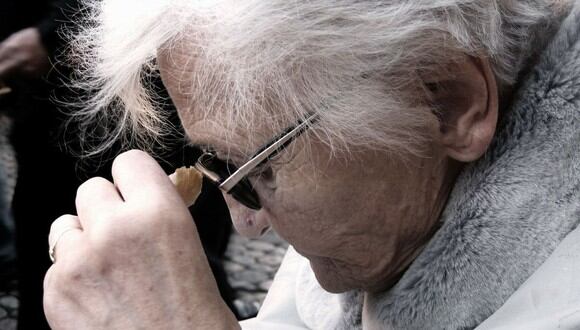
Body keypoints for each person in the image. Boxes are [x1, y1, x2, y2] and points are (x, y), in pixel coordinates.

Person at [43, 0, 580, 329]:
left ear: (447, 103)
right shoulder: (391, 202)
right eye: (218, 163)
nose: (246, 225)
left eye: (259, 170)